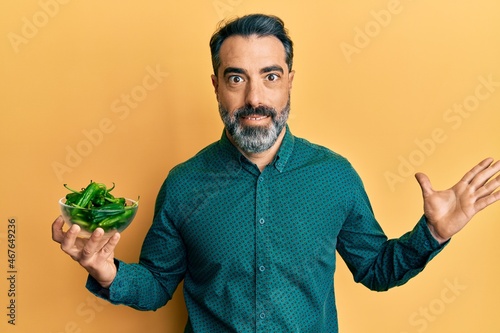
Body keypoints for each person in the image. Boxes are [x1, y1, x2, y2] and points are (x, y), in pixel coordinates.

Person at [52, 14, 500, 332]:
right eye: (236, 78)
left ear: (289, 81)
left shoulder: (335, 176)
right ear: (216, 86)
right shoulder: (184, 184)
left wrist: (434, 233)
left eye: (269, 76)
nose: (254, 98)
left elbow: (376, 271)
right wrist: (108, 272)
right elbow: (156, 286)